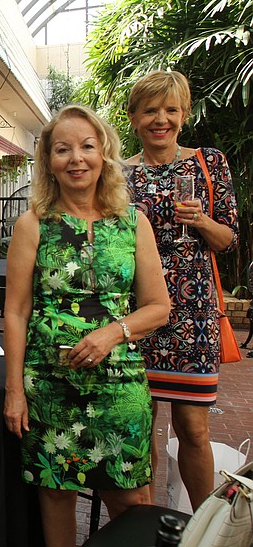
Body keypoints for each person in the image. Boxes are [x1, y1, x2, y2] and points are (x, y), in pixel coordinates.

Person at [2, 105, 170, 547]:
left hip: (120, 385)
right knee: (55, 494)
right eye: (63, 149)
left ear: (104, 154)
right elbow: (16, 312)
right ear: (48, 161)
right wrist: (15, 391)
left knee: (131, 503)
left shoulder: (133, 223)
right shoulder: (33, 224)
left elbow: (159, 307)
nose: (76, 158)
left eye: (87, 147)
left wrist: (112, 332)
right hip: (49, 385)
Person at [125, 71, 238, 510]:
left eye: (171, 110)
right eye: (151, 110)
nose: (161, 119)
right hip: (136, 311)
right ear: (133, 117)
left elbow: (227, 239)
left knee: (193, 429)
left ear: (184, 114)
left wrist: (202, 221)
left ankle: (202, 524)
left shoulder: (208, 163)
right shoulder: (119, 173)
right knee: (139, 428)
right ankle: (146, 522)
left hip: (193, 315)